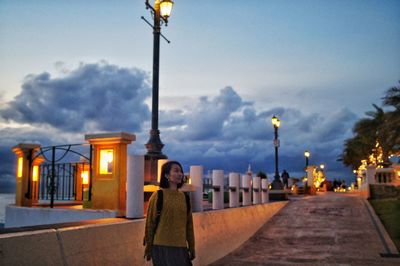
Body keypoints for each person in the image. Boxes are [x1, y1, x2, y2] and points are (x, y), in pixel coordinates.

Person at [144, 161, 195, 266]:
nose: (180, 174)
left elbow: (189, 225)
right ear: (167, 175)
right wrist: (148, 248)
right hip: (161, 247)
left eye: (181, 171)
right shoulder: (158, 196)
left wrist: (192, 246)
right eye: (176, 171)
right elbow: (150, 224)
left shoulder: (185, 198)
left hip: (181, 247)